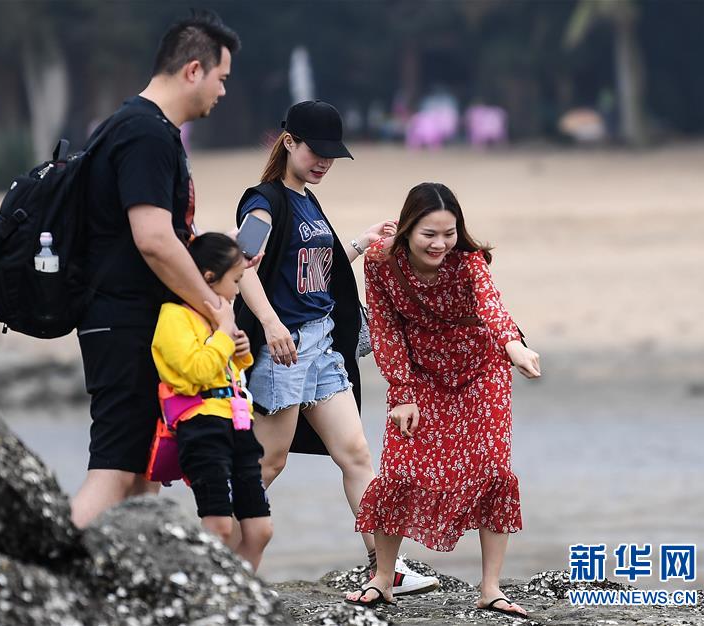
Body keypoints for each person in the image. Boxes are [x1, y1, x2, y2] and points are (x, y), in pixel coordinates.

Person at [234, 101, 438, 595]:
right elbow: (240, 267)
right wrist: (270, 323)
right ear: (289, 143)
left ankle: (385, 566)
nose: (324, 162)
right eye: (316, 151)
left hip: (323, 346)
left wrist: (357, 244)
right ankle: (219, 552)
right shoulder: (263, 201)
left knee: (355, 453)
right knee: (268, 461)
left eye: (332, 155)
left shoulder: (307, 201)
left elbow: (312, 274)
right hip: (284, 349)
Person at [70, 11, 241, 528]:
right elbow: (153, 239)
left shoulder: (138, 127)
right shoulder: (145, 133)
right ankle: (47, 575)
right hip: (121, 320)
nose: (223, 92)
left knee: (143, 472)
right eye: (222, 78)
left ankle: (127, 592)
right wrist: (214, 309)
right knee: (116, 470)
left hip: (130, 318)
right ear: (194, 70)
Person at [346, 183, 541, 617]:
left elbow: (493, 308)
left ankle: (491, 587)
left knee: (492, 468)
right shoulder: (380, 261)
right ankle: (383, 578)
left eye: (449, 233)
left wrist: (514, 347)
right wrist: (401, 392)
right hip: (420, 375)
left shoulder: (468, 261)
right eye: (429, 234)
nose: (440, 244)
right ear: (408, 228)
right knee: (400, 467)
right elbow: (384, 327)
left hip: (481, 371)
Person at [152, 233, 272, 570]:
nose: (237, 290)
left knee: (260, 529)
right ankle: (208, 595)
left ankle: (243, 599)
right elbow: (199, 370)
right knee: (218, 526)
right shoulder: (173, 316)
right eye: (235, 281)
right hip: (201, 427)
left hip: (239, 424)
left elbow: (225, 368)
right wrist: (223, 331)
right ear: (208, 278)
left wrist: (241, 353)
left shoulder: (217, 320)